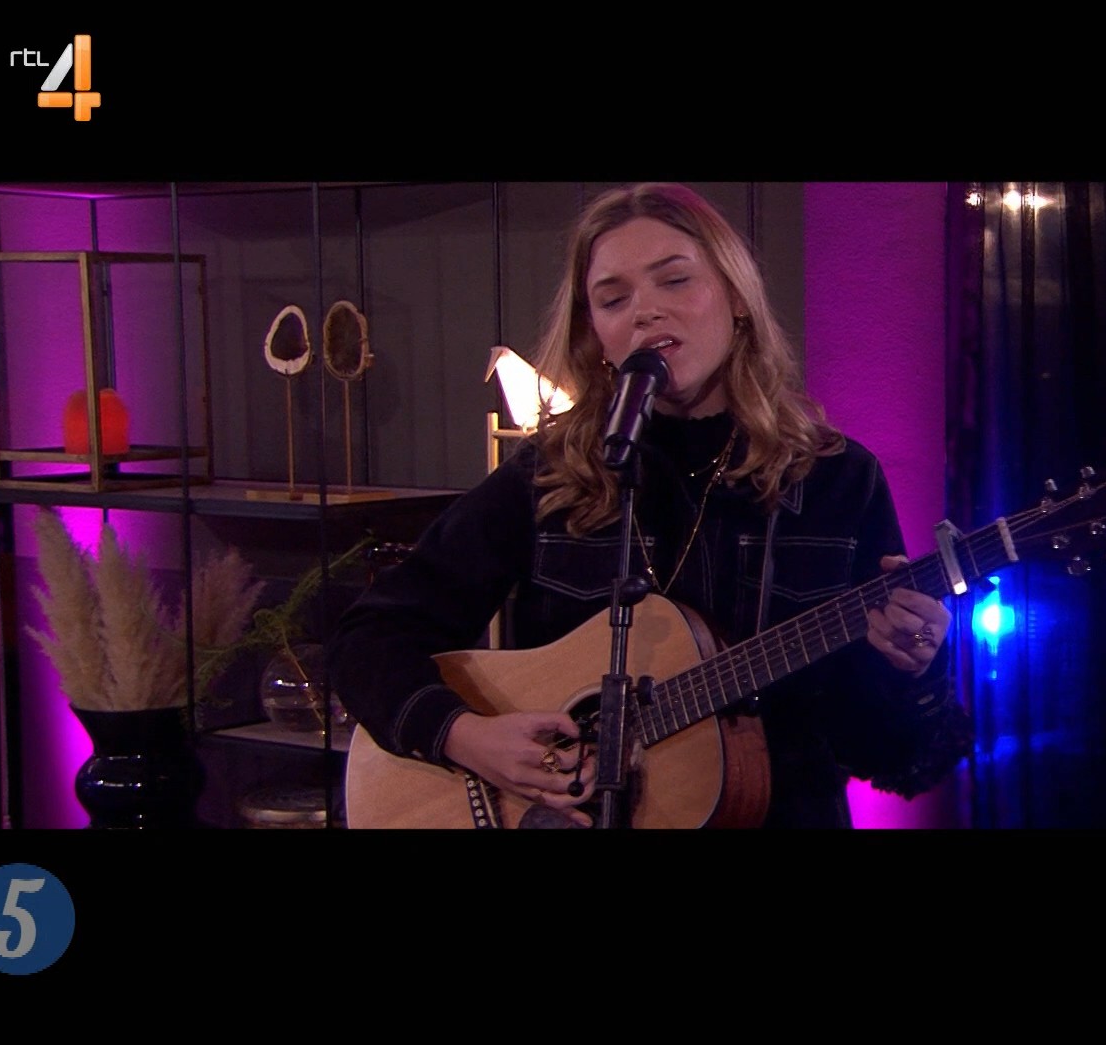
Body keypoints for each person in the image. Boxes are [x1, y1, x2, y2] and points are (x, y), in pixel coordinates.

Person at [328, 183, 972, 828]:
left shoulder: (837, 480)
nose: (646, 312)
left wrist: (914, 669)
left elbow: (895, 759)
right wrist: (463, 735)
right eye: (614, 299)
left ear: (736, 298)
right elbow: (366, 640)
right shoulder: (550, 475)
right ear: (597, 335)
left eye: (675, 280)